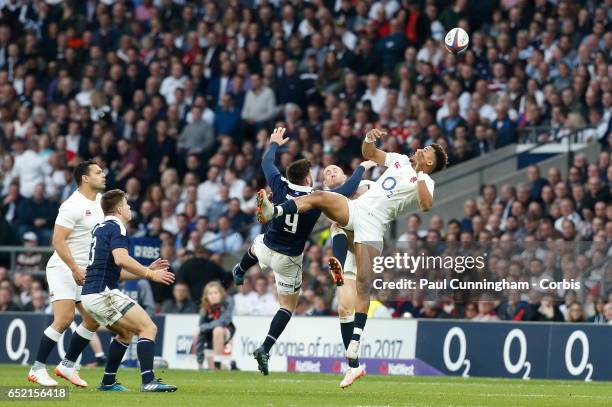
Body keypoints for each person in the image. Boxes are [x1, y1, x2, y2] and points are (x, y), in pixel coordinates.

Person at [257, 128, 447, 387]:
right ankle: (274, 211)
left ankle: (354, 346)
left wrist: (422, 176)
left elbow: (425, 205)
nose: (420, 150)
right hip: (357, 211)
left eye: (425, 151)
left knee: (361, 288)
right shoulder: (399, 159)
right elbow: (370, 154)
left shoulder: (427, 180)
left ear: (429, 162)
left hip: (373, 226)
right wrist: (369, 139)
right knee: (321, 197)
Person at [232, 127, 375, 376]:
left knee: (256, 247)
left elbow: (266, 161)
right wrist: (363, 166)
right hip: (290, 259)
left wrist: (274, 143)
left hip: (267, 247)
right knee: (287, 306)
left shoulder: (278, 182)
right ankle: (265, 347)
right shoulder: (318, 197)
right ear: (309, 179)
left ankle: (240, 269)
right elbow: (349, 187)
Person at [80, 189, 177, 392]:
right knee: (148, 328)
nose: (130, 208)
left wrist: (146, 270)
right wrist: (151, 275)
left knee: (125, 333)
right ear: (119, 209)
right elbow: (121, 260)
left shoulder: (100, 228)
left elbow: (117, 272)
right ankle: (148, 381)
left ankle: (107, 382)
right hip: (103, 292)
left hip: (91, 293)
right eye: (127, 204)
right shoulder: (117, 228)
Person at [28, 160, 106, 388]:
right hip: (64, 267)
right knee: (64, 318)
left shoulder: (101, 201)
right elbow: (57, 241)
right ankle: (37, 369)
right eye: (98, 172)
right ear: (85, 178)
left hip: (86, 269)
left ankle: (68, 365)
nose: (103, 175)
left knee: (92, 320)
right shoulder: (71, 205)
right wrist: (74, 267)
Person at [321, 164, 374, 375]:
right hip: (351, 249)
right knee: (344, 308)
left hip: (367, 245)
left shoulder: (366, 185)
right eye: (327, 172)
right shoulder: (327, 197)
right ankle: (353, 366)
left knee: (336, 225)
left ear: (345, 174)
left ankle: (338, 265)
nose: (331, 172)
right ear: (324, 182)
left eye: (335, 169)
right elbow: (345, 194)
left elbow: (359, 192)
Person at [195, 281, 236, 370]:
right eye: (210, 294)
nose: (213, 296)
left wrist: (207, 326)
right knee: (196, 333)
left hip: (226, 330)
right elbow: (201, 325)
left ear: (221, 293)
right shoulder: (205, 306)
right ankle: (201, 363)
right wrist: (204, 328)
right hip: (209, 332)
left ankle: (218, 361)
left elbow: (224, 321)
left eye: (215, 293)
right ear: (206, 296)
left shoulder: (228, 301)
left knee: (217, 330)